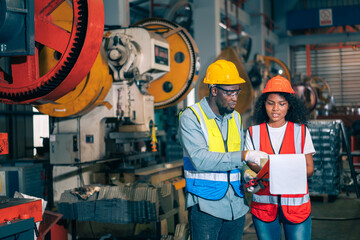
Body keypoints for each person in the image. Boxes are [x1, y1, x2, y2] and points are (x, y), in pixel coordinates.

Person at [178, 59, 268, 240]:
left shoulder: (235, 117)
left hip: (236, 204)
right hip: (205, 206)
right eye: (229, 92)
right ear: (214, 90)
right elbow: (200, 160)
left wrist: (247, 173)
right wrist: (246, 154)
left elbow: (238, 161)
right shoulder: (191, 117)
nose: (235, 97)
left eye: (237, 91)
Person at [244, 75, 315, 240]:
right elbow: (250, 163)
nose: (276, 108)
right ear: (264, 105)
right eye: (271, 103)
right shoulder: (253, 133)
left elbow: (310, 169)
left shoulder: (301, 132)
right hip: (264, 206)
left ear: (289, 106)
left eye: (282, 104)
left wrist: (273, 169)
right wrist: (287, 168)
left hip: (296, 207)